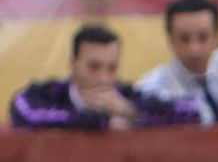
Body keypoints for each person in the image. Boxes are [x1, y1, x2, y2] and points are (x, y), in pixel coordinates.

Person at [10, 22, 199, 130]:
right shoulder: (48, 94)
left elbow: (191, 111)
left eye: (112, 68)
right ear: (72, 65)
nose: (103, 79)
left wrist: (129, 111)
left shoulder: (126, 97)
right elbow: (24, 111)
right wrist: (103, 123)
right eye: (93, 67)